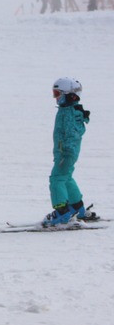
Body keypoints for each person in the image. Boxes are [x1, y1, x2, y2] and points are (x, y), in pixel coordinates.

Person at [44, 77, 92, 226]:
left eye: (57, 93)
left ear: (68, 94)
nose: (55, 98)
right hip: (64, 152)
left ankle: (62, 213)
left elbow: (72, 134)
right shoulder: (68, 110)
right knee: (66, 177)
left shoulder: (69, 113)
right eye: (54, 94)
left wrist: (67, 152)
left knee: (56, 179)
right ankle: (78, 207)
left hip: (66, 153)